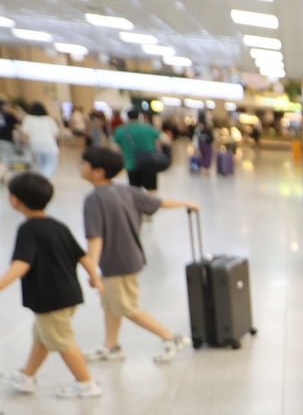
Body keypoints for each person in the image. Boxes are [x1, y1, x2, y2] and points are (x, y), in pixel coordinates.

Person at [78, 146, 196, 363]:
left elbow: (95, 238)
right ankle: (111, 346)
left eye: (84, 163)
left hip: (117, 262)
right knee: (111, 303)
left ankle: (171, 338)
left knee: (125, 306)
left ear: (98, 171)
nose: (80, 166)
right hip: (130, 257)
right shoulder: (127, 191)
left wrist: (92, 269)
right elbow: (158, 203)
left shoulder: (94, 199)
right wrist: (186, 203)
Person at [0, 172, 104, 398]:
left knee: (62, 341)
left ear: (15, 200)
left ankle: (86, 383)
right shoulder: (58, 226)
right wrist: (95, 277)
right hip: (67, 295)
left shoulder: (27, 230)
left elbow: (21, 265)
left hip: (50, 299)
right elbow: (82, 256)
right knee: (43, 337)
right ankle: (27, 376)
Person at [112, 108, 167, 192]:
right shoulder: (148, 128)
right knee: (151, 190)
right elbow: (165, 139)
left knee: (135, 190)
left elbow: (115, 149)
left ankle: (137, 205)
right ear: (139, 116)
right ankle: (151, 205)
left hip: (131, 164)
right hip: (149, 162)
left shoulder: (120, 130)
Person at [20, 102, 62, 177]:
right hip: (49, 144)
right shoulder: (49, 119)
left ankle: (41, 179)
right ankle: (44, 179)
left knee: (41, 164)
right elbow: (56, 133)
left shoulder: (28, 119)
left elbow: (24, 133)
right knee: (51, 163)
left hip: (35, 144)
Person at [0, 99, 19, 164]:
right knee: (7, 163)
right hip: (6, 142)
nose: (10, 107)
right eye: (8, 106)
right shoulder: (9, 115)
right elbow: (18, 127)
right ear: (2, 106)